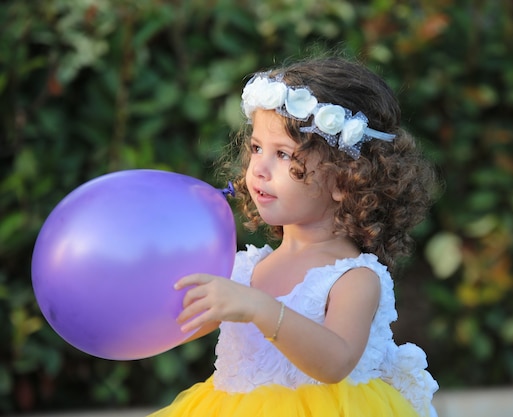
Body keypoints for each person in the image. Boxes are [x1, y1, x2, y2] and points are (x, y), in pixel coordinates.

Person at [148, 57, 440, 417]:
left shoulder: (353, 278)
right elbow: (176, 325)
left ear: (345, 179)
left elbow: (335, 362)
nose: (259, 168)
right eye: (256, 148)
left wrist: (259, 307)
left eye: (283, 154)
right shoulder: (245, 268)